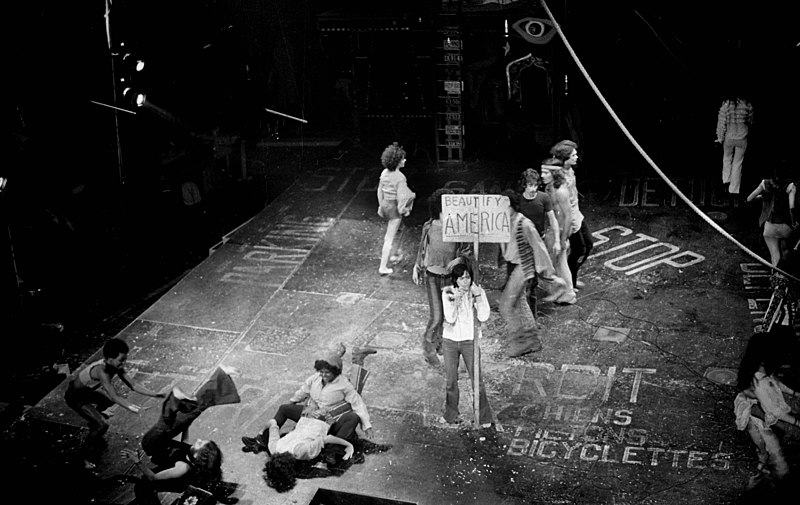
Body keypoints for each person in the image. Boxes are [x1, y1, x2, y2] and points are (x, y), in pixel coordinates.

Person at [241, 354, 373, 465]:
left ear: (335, 372)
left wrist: (366, 425)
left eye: (327, 372)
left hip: (330, 418)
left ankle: (333, 450)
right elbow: (304, 390)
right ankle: (262, 440)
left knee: (353, 416)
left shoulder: (344, 385)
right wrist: (292, 402)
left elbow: (358, 404)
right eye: (321, 372)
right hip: (310, 415)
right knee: (284, 408)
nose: (323, 375)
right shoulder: (316, 378)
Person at [64, 338, 164, 470]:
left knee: (107, 402)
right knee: (102, 426)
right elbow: (115, 396)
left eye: (124, 360)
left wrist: (156, 395)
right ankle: (82, 458)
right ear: (109, 359)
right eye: (121, 360)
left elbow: (133, 385)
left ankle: (94, 417)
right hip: (75, 397)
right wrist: (135, 408)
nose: (123, 364)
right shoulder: (101, 371)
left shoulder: (115, 366)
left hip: (87, 392)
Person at [499, 190, 567, 357]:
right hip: (514, 264)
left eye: (505, 205)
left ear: (513, 206)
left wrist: (549, 274)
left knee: (506, 306)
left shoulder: (524, 224)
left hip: (523, 266)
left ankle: (522, 340)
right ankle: (532, 340)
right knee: (520, 303)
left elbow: (539, 247)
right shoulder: (502, 222)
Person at [734, 329, 799, 489]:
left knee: (765, 449)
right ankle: (767, 481)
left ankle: (762, 470)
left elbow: (776, 383)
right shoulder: (761, 383)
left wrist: (794, 392)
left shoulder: (759, 373)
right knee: (776, 454)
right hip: (760, 421)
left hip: (759, 414)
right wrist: (797, 422)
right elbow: (776, 412)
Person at [413, 188, 471, 366]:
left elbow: (466, 250)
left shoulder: (457, 227)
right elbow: (423, 248)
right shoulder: (430, 226)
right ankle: (428, 348)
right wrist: (417, 266)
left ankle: (438, 344)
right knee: (436, 316)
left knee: (447, 315)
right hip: (432, 276)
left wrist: (459, 260)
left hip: (448, 278)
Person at [439, 260, 493, 427]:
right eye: (461, 278)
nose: (465, 281)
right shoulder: (448, 292)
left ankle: (484, 417)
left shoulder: (477, 292)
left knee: (477, 379)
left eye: (467, 277)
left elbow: (484, 316)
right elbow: (450, 318)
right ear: (455, 279)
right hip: (450, 341)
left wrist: (477, 296)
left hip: (470, 340)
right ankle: (451, 414)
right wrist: (457, 300)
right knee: (451, 380)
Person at [261, 412, 355, 493]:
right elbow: (273, 423)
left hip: (323, 419)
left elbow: (328, 438)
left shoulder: (301, 452)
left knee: (352, 417)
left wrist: (348, 445)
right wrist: (261, 431)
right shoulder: (274, 448)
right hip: (306, 417)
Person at [551, 139, 593, 290]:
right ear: (565, 159)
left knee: (588, 245)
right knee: (579, 250)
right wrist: (564, 235)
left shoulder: (570, 170)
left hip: (577, 215)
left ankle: (572, 276)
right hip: (570, 219)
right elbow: (563, 210)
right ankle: (569, 281)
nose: (576, 157)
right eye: (573, 155)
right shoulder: (560, 179)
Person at [540, 160, 577, 305]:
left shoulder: (561, 191)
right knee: (559, 264)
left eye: (545, 173)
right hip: (551, 231)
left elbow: (568, 216)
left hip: (558, 232)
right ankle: (564, 291)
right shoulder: (550, 188)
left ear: (554, 174)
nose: (542, 175)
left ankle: (568, 292)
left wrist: (562, 239)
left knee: (560, 263)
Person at [746, 163, 797, 266]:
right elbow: (792, 207)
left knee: (774, 256)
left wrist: (762, 196)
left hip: (770, 227)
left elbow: (749, 199)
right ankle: (785, 273)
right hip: (785, 226)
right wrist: (794, 223)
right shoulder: (791, 186)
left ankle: (776, 277)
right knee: (786, 249)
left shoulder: (765, 183)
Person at [377, 142, 411, 275]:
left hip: (385, 205)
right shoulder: (400, 178)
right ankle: (383, 266)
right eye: (402, 158)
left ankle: (396, 252)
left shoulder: (384, 172)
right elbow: (402, 198)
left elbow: (380, 190)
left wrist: (380, 206)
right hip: (394, 209)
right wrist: (405, 210)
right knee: (389, 238)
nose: (404, 160)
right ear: (397, 161)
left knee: (401, 228)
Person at [716, 92, 754, 196]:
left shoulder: (726, 104)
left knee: (727, 159)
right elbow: (750, 121)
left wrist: (720, 138)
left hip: (729, 136)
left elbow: (721, 122)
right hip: (742, 137)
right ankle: (733, 189)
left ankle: (725, 181)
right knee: (738, 162)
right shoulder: (747, 104)